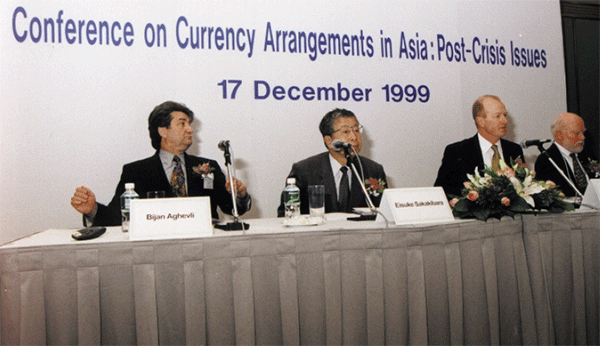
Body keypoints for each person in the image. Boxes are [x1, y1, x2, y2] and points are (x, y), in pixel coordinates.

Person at [71, 101, 251, 225]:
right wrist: (92, 210)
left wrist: (240, 196)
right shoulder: (136, 171)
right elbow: (119, 216)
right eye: (182, 124)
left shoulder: (208, 166)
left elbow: (232, 209)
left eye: (190, 124)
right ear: (163, 131)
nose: (190, 130)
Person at [277, 108, 387, 216]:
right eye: (346, 131)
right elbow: (285, 215)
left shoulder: (373, 170)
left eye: (357, 130)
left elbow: (384, 213)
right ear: (329, 141)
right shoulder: (304, 171)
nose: (354, 137)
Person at [434, 95, 525, 197]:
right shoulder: (457, 152)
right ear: (480, 121)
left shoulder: (514, 150)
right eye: (497, 116)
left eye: (505, 115)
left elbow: (524, 187)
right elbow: (442, 191)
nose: (505, 121)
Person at [534, 112, 597, 198]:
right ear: (559, 135)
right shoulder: (546, 160)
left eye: (583, 132)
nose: (583, 137)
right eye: (577, 133)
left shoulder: (586, 154)